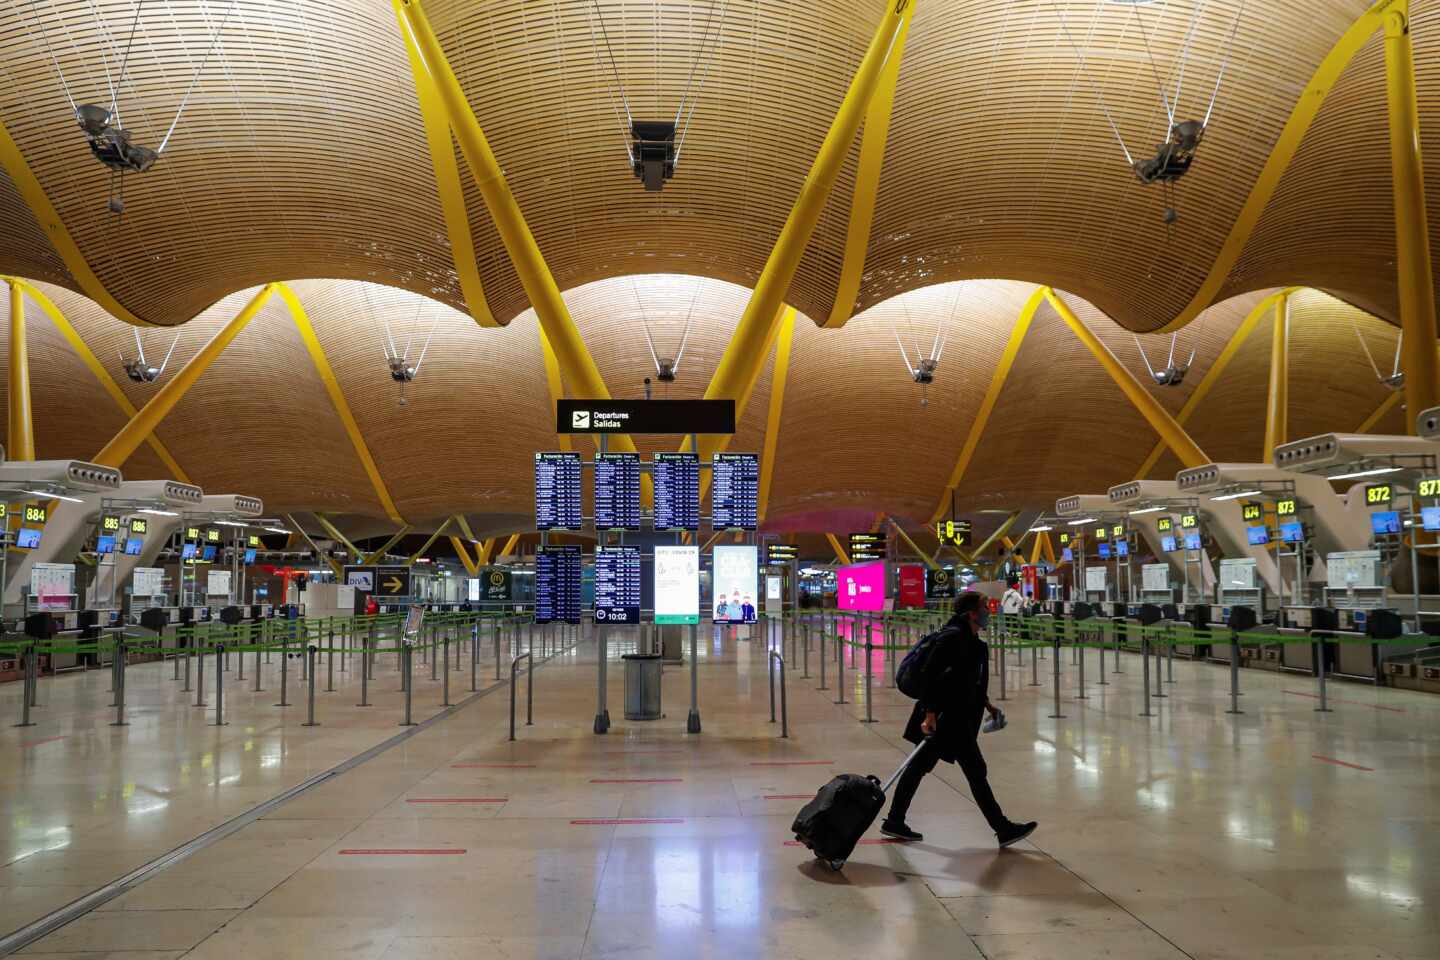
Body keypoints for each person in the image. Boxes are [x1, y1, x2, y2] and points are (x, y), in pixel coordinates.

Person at [881, 590, 1037, 848]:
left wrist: (986, 704)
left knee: (922, 768)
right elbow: (930, 673)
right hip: (944, 718)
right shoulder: (953, 638)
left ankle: (895, 820)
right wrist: (930, 714)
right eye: (985, 606)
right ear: (971, 614)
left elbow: (966, 680)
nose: (989, 610)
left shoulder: (969, 639)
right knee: (974, 771)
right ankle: (1003, 828)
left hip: (954, 717)